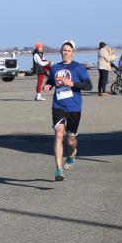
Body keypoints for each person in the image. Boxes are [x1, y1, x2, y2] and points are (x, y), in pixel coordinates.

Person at [44, 40, 92, 181]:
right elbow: (51, 81)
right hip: (58, 105)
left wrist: (73, 83)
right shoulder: (55, 68)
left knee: (70, 140)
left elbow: (89, 86)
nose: (66, 52)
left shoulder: (78, 68)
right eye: (64, 50)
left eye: (69, 50)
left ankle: (72, 153)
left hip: (74, 107)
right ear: (61, 52)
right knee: (58, 134)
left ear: (73, 53)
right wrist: (48, 86)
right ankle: (58, 170)